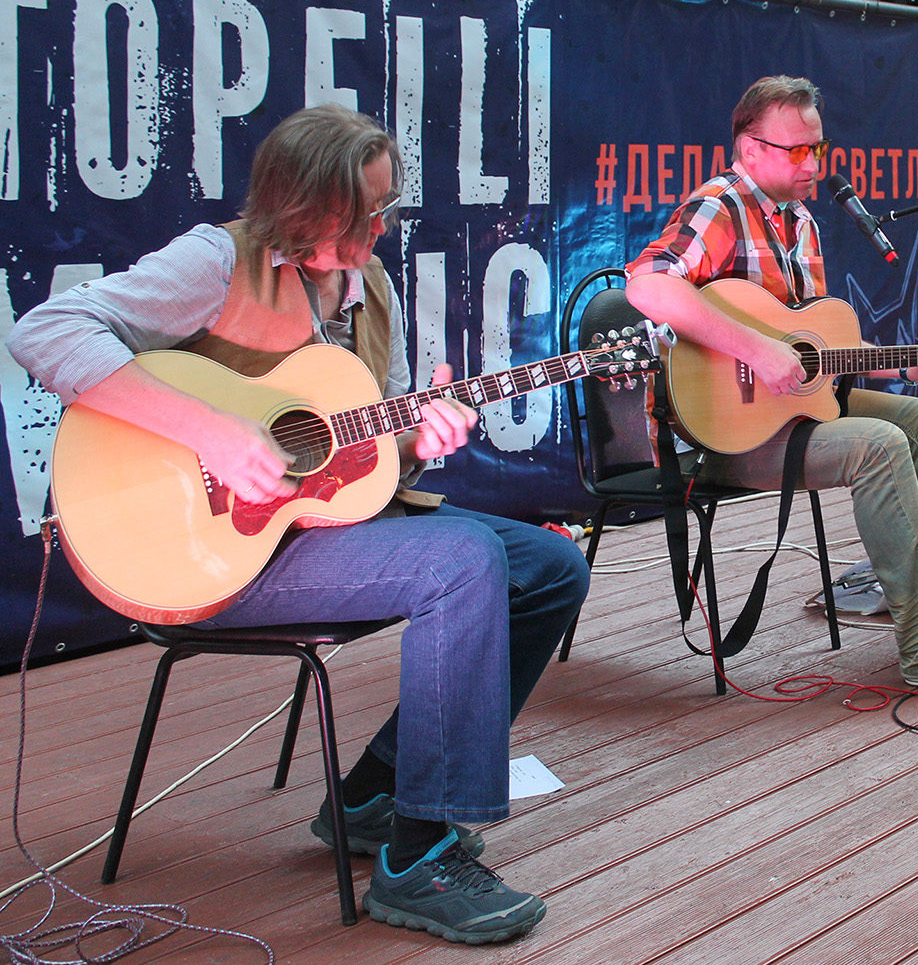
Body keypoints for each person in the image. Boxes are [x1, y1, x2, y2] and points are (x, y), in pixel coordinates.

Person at [8, 105, 588, 945]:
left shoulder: (370, 286)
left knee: (551, 568)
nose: (384, 227)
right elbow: (46, 330)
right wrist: (212, 431)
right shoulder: (218, 261)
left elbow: (367, 462)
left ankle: (374, 793)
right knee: (462, 558)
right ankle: (417, 859)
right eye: (368, 211)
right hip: (210, 554)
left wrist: (420, 442)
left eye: (388, 207)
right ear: (307, 206)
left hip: (316, 533)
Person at [624, 75, 918, 696]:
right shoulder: (720, 205)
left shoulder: (801, 221)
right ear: (750, 148)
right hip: (716, 434)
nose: (813, 164)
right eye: (797, 150)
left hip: (787, 415)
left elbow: (817, 354)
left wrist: (911, 367)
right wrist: (756, 350)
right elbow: (647, 286)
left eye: (818, 148)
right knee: (878, 445)